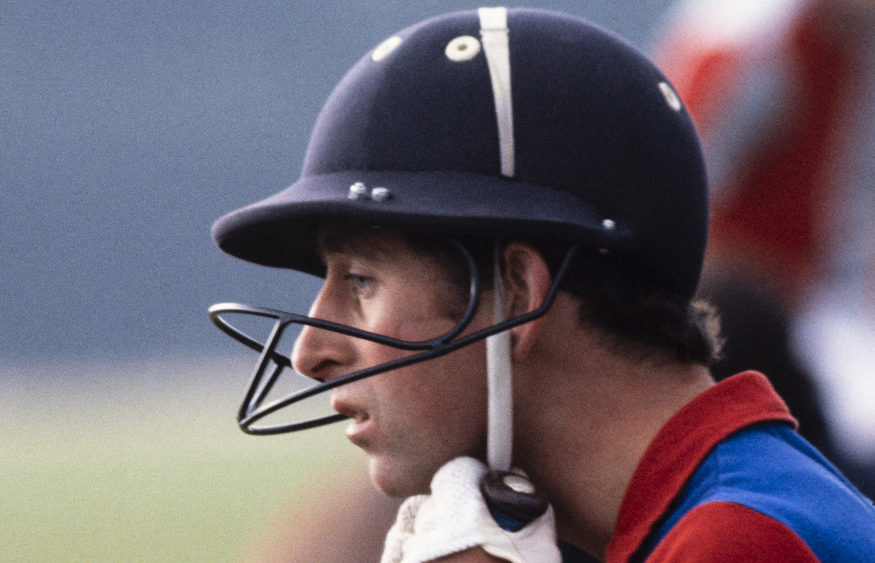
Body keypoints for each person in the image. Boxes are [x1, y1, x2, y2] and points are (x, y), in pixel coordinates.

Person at [209, 8, 875, 561]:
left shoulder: (736, 542)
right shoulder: (712, 510)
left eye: (360, 278)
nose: (309, 352)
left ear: (519, 291)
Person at [652, 0, 875, 495]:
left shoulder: (841, 38)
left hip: (808, 303)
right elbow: (679, 179)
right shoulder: (757, 43)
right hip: (738, 314)